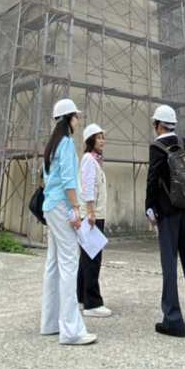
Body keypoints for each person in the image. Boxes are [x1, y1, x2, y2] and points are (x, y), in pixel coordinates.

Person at [146, 104, 185, 337]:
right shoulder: (184, 143)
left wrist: (149, 208)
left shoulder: (157, 147)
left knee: (169, 266)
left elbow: (152, 180)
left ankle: (173, 319)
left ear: (158, 125)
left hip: (168, 214)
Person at [40, 98, 96, 345]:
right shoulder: (66, 144)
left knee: (53, 264)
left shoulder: (51, 146)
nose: (78, 120)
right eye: (76, 116)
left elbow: (49, 179)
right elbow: (68, 181)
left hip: (50, 207)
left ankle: (50, 323)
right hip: (63, 206)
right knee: (69, 264)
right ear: (68, 118)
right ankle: (71, 331)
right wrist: (76, 209)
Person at [77, 123, 111, 317]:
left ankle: (81, 298)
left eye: (103, 137)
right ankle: (93, 303)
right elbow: (88, 186)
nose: (102, 141)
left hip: (92, 214)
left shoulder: (94, 160)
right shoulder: (90, 160)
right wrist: (91, 212)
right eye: (98, 138)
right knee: (92, 260)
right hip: (92, 216)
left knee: (86, 258)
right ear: (90, 141)